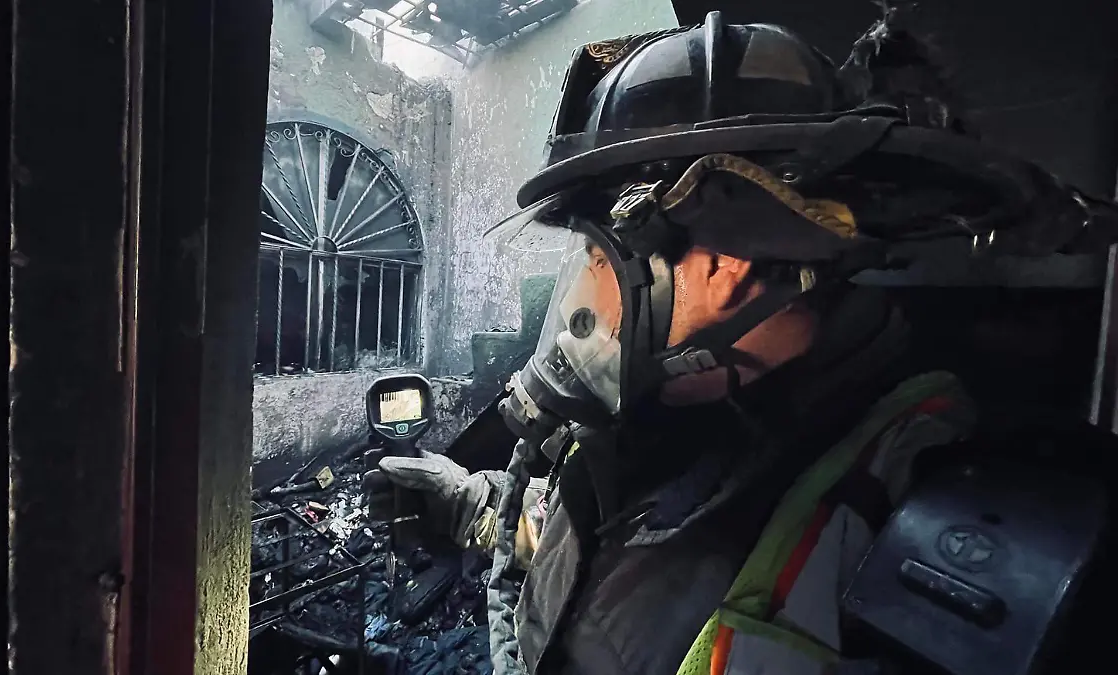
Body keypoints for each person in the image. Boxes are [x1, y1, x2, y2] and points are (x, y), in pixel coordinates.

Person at [366, 12, 1115, 675]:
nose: (581, 298)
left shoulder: (935, 532)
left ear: (725, 267)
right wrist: (474, 507)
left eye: (597, 257)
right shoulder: (668, 415)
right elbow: (613, 564)